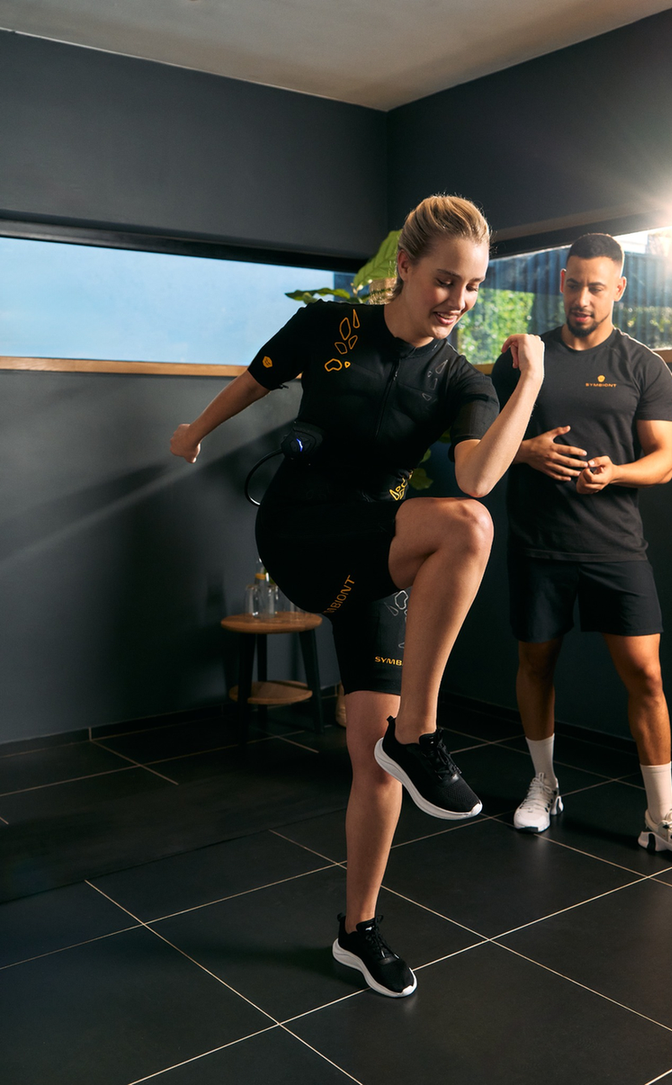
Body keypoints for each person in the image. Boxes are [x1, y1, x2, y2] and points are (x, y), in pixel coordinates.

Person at [171, 194, 545, 997]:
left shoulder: (457, 377)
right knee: (467, 531)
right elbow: (257, 377)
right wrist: (194, 428)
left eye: (473, 287)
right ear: (404, 267)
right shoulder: (333, 328)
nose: (459, 300)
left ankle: (357, 928)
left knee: (373, 763)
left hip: (374, 552)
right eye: (446, 280)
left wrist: (530, 380)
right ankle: (422, 731)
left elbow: (479, 475)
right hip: (303, 527)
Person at [491, 232, 672, 872]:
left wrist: (613, 473)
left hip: (616, 547)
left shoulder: (645, 366)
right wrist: (527, 451)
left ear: (619, 288)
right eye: (573, 284)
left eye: (597, 287)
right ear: (560, 282)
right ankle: (544, 784)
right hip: (538, 545)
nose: (582, 298)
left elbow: (665, 461)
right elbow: (483, 448)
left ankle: (662, 818)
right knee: (535, 665)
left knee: (646, 678)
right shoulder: (522, 358)